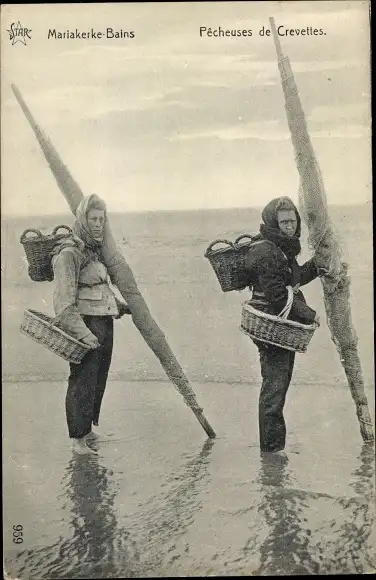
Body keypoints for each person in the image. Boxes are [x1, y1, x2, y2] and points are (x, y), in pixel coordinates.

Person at [244, 196, 324, 456]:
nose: (290, 226)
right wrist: (310, 314)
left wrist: (320, 264)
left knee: (277, 386)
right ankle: (271, 454)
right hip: (272, 328)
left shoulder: (280, 248)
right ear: (273, 223)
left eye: (293, 221)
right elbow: (279, 298)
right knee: (274, 390)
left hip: (277, 327)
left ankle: (272, 448)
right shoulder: (266, 251)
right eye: (284, 222)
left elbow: (294, 277)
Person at [51, 194, 130, 455]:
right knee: (82, 379)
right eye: (93, 219)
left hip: (103, 321)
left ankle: (86, 430)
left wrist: (120, 307)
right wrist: (83, 333)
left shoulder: (94, 251)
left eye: (102, 220)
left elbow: (96, 288)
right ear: (82, 219)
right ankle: (77, 440)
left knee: (98, 378)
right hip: (85, 324)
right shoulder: (70, 253)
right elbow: (64, 302)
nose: (98, 224)